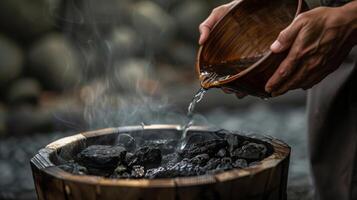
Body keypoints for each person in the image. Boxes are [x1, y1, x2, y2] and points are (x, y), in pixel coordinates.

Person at [199, 0, 357, 199]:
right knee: (334, 173)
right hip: (328, 39)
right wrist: (254, 8)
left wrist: (349, 19)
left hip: (342, 27)